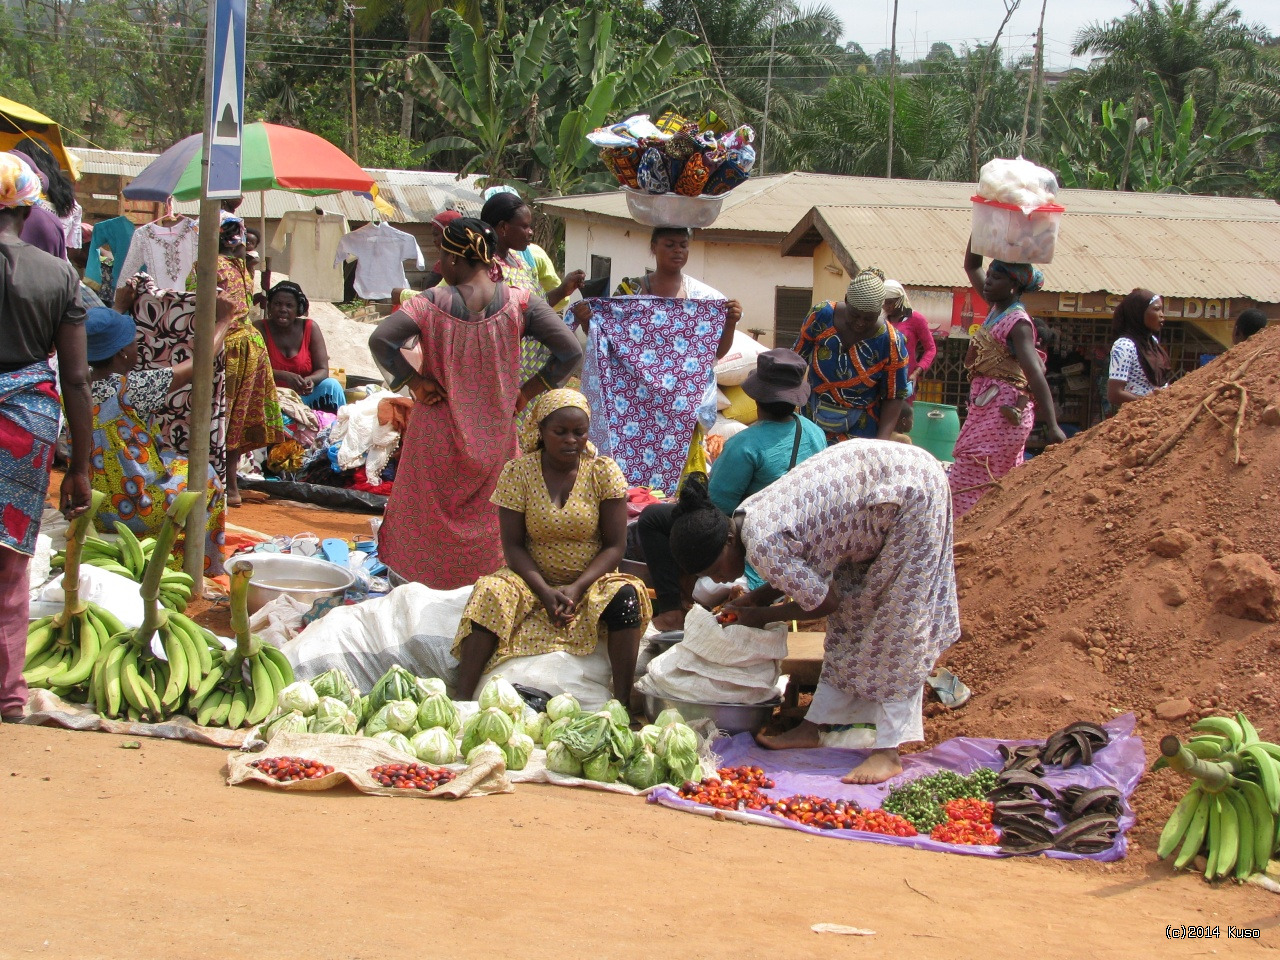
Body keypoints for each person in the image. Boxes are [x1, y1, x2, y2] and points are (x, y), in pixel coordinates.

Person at [669, 441, 958, 783]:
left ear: (728, 542)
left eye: (715, 569)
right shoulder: (746, 518)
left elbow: (824, 604)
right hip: (877, 498)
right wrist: (756, 599)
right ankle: (812, 728)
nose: (719, 579)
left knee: (895, 623)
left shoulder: (762, 544)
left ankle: (888, 751)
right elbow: (795, 571)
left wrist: (757, 615)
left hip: (910, 493)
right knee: (850, 618)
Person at [368, 217, 582, 589]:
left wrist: (415, 382)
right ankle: (482, 598)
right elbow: (570, 351)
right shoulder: (521, 303)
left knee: (425, 519)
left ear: (454, 260)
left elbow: (381, 340)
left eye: (443, 257)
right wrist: (528, 391)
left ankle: (416, 598)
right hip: (497, 434)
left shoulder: (430, 303)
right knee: (493, 522)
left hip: (437, 431)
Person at [452, 390, 651, 702]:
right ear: (541, 431)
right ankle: (460, 699)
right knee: (489, 591)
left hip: (591, 581)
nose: (571, 440)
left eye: (579, 432)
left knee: (628, 595)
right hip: (530, 581)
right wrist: (545, 592)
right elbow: (513, 546)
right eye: (560, 432)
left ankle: (622, 703)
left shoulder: (603, 472)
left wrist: (577, 588)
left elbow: (615, 546)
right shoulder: (518, 472)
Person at [638, 348, 826, 632]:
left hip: (749, 543)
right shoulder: (815, 432)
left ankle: (671, 609)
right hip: (797, 536)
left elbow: (713, 510)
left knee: (652, 517)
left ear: (756, 397)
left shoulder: (745, 444)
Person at [0, 152, 93, 721]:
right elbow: (78, 379)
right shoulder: (59, 275)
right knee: (11, 560)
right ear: (33, 203)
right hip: (25, 427)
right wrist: (79, 466)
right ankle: (8, 695)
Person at [572, 225, 744, 488]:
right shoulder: (630, 291)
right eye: (669, 244)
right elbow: (606, 336)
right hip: (633, 401)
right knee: (628, 460)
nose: (678, 251)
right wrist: (588, 322)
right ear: (653, 248)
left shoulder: (703, 298)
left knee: (680, 475)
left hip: (680, 403)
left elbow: (714, 353)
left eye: (683, 245)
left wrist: (729, 322)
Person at [84, 305, 233, 574]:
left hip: (93, 503)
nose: (138, 345)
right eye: (133, 341)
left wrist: (120, 304)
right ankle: (196, 567)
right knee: (207, 476)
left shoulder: (73, 388)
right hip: (137, 508)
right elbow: (199, 361)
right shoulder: (133, 388)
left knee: (171, 461)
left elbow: (98, 340)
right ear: (122, 352)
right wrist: (224, 320)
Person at [949, 242, 1065, 517]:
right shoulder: (995, 309)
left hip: (1003, 411)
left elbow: (1034, 372)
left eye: (996, 277)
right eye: (989, 275)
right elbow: (971, 265)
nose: (988, 281)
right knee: (983, 479)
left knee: (971, 473)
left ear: (1013, 286)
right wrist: (980, 230)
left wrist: (1053, 425)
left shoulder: (1018, 322)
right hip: (987, 407)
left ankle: (961, 538)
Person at [190, 218, 284, 505]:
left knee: (228, 417)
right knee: (229, 418)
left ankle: (223, 484)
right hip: (237, 347)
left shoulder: (222, 268)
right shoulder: (222, 268)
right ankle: (225, 485)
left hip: (235, 346)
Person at [794, 267, 909, 444]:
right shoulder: (821, 316)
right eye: (855, 315)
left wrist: (880, 444)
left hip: (861, 429)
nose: (860, 323)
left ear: (880, 311)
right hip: (812, 418)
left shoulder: (891, 341)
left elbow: (894, 396)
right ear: (847, 300)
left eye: (869, 318)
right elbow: (796, 360)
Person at [255, 281, 346, 412]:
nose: (283, 309)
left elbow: (322, 369)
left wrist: (310, 380)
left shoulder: (310, 328)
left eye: (289, 305)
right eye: (277, 304)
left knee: (332, 386)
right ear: (269, 307)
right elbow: (253, 369)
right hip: (271, 397)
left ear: (298, 309)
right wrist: (284, 376)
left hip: (305, 396)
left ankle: (338, 428)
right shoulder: (259, 329)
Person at [1107, 289, 1171, 410]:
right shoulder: (1124, 345)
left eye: (1161, 309)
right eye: (1156, 309)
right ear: (1139, 313)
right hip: (1136, 417)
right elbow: (1114, 394)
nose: (1162, 314)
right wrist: (1150, 404)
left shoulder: (1152, 342)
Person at [883, 279, 936, 421]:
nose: (886, 306)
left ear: (900, 300)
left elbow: (930, 349)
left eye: (890, 302)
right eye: (883, 301)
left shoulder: (916, 319)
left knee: (900, 420)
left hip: (905, 380)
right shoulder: (881, 320)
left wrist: (917, 372)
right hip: (882, 378)